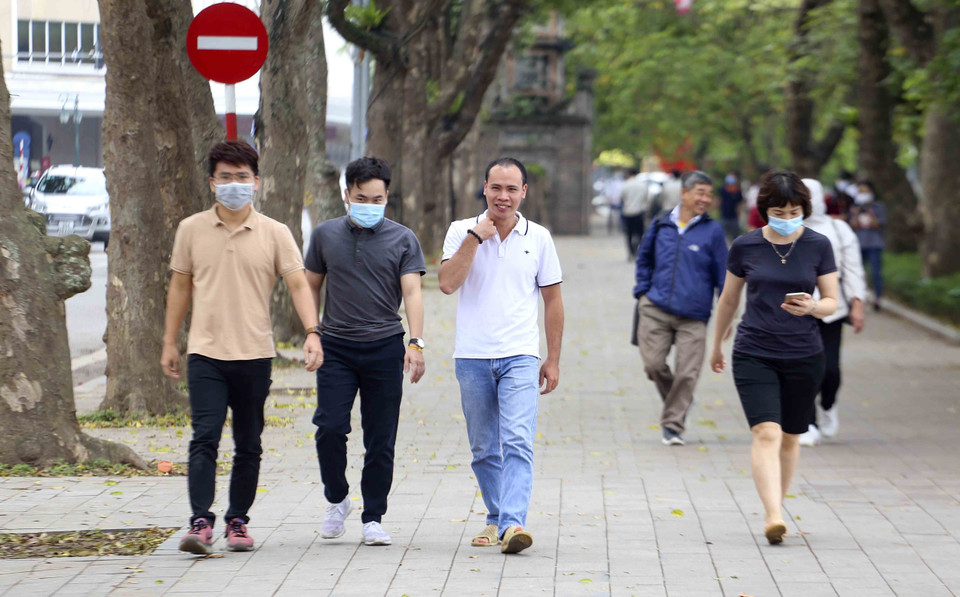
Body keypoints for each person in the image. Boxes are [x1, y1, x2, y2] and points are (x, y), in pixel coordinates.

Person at [162, 140, 323, 554]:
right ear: (212, 182)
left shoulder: (275, 232)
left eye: (242, 177)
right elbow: (179, 287)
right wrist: (169, 342)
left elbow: (297, 283)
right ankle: (200, 521)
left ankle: (237, 521)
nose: (234, 184)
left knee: (249, 442)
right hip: (205, 353)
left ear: (257, 182)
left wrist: (311, 331)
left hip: (254, 354)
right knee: (205, 437)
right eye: (226, 177)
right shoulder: (191, 229)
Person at [438, 157, 564, 555]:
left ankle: (512, 523)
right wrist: (476, 238)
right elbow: (446, 284)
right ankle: (496, 518)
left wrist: (553, 358)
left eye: (512, 189)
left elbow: (553, 300)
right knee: (484, 448)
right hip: (472, 356)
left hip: (520, 355)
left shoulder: (539, 237)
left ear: (524, 191)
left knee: (518, 440)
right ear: (484, 188)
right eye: (496, 188)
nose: (503, 196)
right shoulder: (461, 230)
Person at [709, 170, 838, 545]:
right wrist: (717, 344)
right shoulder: (746, 246)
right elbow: (730, 299)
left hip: (804, 353)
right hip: (754, 351)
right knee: (766, 431)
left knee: (790, 437)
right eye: (778, 211)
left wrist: (814, 307)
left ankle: (776, 507)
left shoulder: (818, 245)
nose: (786, 218)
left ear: (805, 210)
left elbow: (831, 300)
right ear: (764, 210)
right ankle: (772, 515)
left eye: (793, 210)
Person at [305, 157, 426, 547]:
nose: (369, 204)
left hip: (385, 346)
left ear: (387, 197)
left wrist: (415, 343)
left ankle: (373, 515)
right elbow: (309, 286)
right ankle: (336, 499)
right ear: (346, 195)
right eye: (361, 197)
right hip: (336, 347)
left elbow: (412, 293)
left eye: (377, 198)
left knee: (380, 437)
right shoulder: (324, 236)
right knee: (329, 428)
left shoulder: (403, 238)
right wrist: (312, 333)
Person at [633, 171, 728, 446]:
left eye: (709, 194)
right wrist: (642, 291)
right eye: (700, 192)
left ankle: (673, 425)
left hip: (694, 315)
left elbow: (724, 276)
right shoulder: (662, 223)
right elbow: (644, 257)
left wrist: (725, 313)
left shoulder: (713, 231)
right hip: (655, 307)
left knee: (687, 373)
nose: (705, 199)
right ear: (684, 193)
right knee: (653, 365)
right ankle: (681, 400)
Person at [797, 179, 867, 446]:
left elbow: (853, 269)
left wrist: (857, 303)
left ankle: (828, 405)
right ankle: (808, 422)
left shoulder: (838, 229)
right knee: (803, 369)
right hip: (797, 310)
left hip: (831, 311)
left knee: (829, 370)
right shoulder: (789, 229)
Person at [848, 178, 885, 311]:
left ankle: (877, 298)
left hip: (874, 244)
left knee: (876, 272)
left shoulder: (878, 206)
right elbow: (852, 225)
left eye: (865, 191)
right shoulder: (854, 207)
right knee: (858, 273)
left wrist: (870, 214)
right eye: (860, 191)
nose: (862, 194)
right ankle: (859, 297)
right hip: (858, 244)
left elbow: (879, 224)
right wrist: (856, 215)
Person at [620, 168, 652, 259]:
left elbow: (622, 198)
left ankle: (631, 252)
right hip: (640, 213)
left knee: (629, 233)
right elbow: (647, 199)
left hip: (628, 212)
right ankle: (638, 249)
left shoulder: (625, 185)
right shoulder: (642, 185)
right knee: (640, 233)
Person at [719, 172, 744, 241]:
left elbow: (740, 203)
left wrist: (740, 212)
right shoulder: (722, 190)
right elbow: (719, 200)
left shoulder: (738, 191)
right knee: (722, 235)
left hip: (734, 217)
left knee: (735, 236)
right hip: (724, 216)